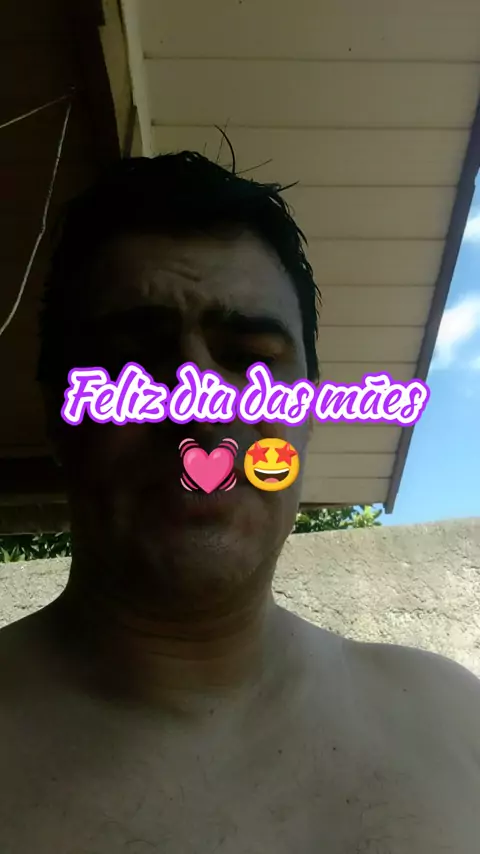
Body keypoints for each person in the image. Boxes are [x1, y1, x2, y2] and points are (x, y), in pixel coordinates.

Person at [0, 152, 479, 853]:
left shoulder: (456, 726)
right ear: (57, 416)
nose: (200, 409)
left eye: (253, 360)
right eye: (134, 362)